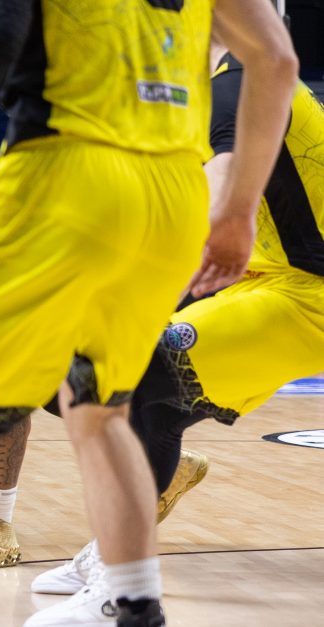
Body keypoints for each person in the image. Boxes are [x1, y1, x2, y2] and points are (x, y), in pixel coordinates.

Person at [0, 1, 296, 626]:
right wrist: (239, 210)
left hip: (66, 171)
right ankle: (135, 607)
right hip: (171, 195)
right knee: (101, 410)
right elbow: (276, 58)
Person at [27, 30, 324, 623]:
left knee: (126, 378)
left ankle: (121, 584)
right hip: (270, 282)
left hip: (308, 297)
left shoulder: (240, 79)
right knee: (113, 390)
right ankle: (118, 546)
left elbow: (219, 185)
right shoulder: (218, 87)